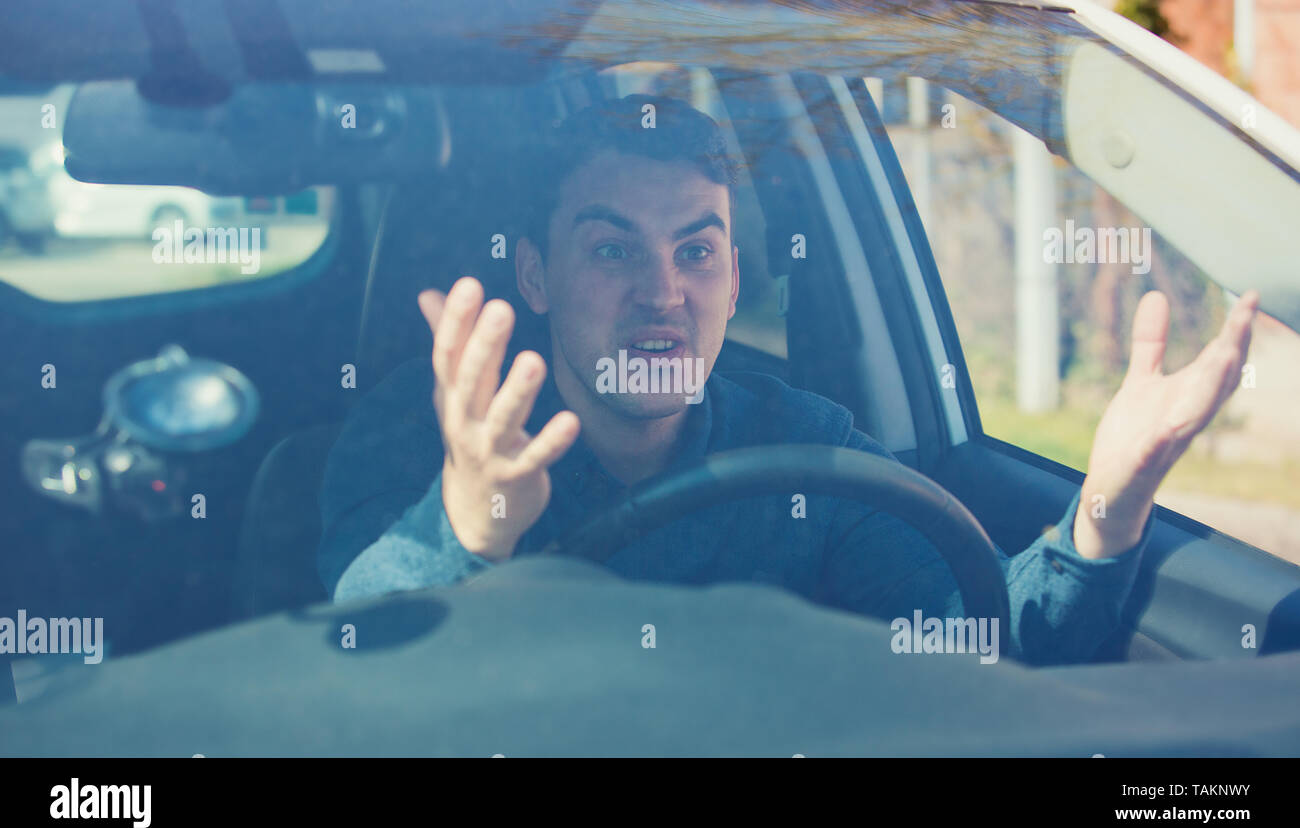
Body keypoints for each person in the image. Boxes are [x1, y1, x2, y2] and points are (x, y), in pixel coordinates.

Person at [317, 95, 1258, 665]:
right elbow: (350, 676)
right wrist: (472, 531)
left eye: (697, 251)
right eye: (612, 249)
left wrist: (1112, 501)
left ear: (733, 281)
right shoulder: (426, 432)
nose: (662, 294)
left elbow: (968, 649)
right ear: (535, 276)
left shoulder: (808, 449)